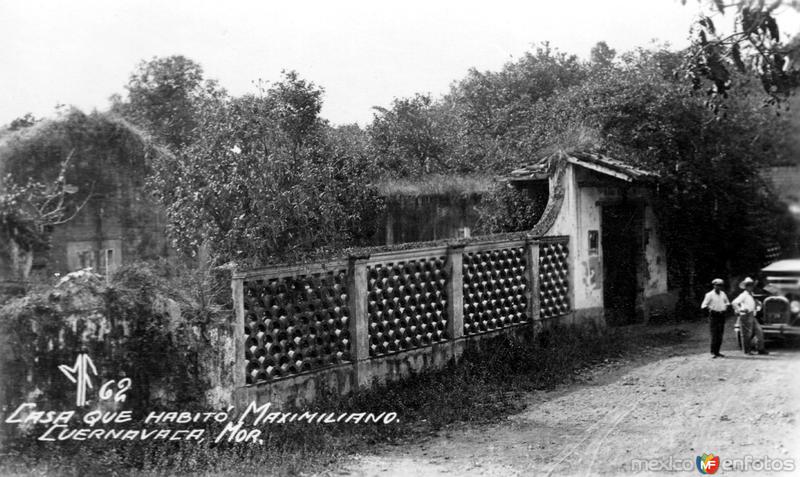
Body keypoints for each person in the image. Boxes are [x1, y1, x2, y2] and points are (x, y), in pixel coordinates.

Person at [731, 277, 769, 355]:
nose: (751, 287)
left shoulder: (751, 294)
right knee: (746, 334)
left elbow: (754, 304)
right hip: (746, 315)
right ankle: (747, 350)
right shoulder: (743, 295)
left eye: (751, 285)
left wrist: (757, 306)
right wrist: (739, 310)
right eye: (749, 285)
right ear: (746, 286)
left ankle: (760, 349)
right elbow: (734, 302)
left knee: (759, 331)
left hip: (752, 315)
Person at [700, 278, 730, 358]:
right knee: (714, 334)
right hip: (714, 315)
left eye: (720, 285)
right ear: (714, 285)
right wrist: (710, 310)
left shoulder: (723, 294)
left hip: (721, 315)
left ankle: (718, 351)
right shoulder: (709, 295)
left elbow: (727, 302)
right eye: (717, 285)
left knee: (720, 334)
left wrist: (725, 308)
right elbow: (703, 305)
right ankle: (713, 352)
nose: (718, 287)